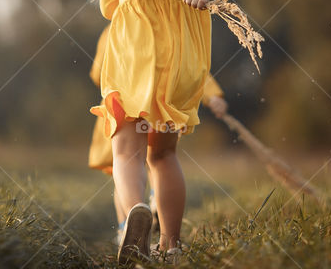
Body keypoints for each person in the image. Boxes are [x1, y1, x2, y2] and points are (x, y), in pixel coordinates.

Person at [89, 0, 217, 265]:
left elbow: (111, 6)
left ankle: (132, 221)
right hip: (177, 61)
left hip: (132, 59)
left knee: (127, 151)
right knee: (163, 155)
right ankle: (172, 245)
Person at [87, 24, 228, 245]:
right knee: (159, 159)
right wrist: (212, 96)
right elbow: (194, 68)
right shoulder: (174, 23)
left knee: (125, 166)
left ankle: (126, 224)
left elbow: (98, 73)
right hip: (161, 103)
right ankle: (164, 227)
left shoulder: (114, 28)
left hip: (126, 104)